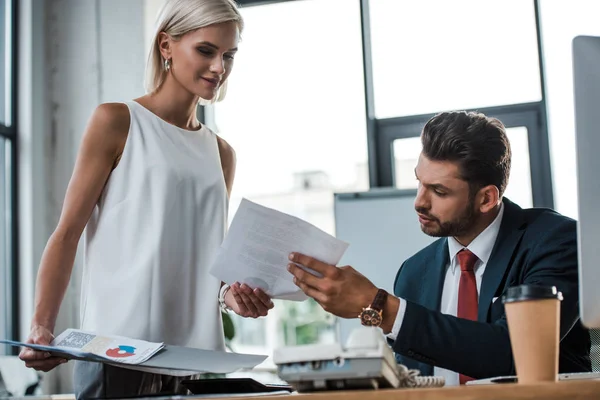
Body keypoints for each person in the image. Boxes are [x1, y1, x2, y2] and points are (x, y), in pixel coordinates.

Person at [19, 0, 274, 397]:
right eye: (206, 51)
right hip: (116, 353)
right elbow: (67, 233)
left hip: (188, 360)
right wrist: (40, 326)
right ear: (166, 46)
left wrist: (229, 295)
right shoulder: (117, 121)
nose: (219, 68)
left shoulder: (221, 154)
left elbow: (206, 259)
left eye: (229, 55)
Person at [288, 111, 591, 386]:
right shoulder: (414, 272)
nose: (419, 202)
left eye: (439, 191)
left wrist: (379, 306)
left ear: (486, 199)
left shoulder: (556, 241)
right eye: (420, 182)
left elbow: (517, 352)